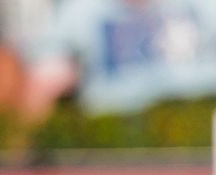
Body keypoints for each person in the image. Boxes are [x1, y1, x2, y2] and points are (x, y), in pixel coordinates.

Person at [23, 0, 216, 115]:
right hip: (114, 132)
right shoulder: (80, 11)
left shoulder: (203, 6)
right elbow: (45, 80)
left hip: (197, 121)